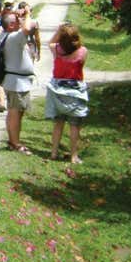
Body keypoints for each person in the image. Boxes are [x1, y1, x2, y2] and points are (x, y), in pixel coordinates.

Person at [46, 23, 89, 164]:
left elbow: (50, 43)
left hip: (58, 90)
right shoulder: (83, 51)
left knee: (58, 123)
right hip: (75, 91)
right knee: (74, 125)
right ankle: (74, 155)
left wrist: (58, 31)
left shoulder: (57, 50)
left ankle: (53, 152)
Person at [0, 5, 37, 154]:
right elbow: (28, 29)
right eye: (17, 20)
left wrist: (16, 15)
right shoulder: (14, 37)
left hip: (14, 80)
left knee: (14, 112)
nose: (20, 21)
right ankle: (15, 143)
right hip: (17, 82)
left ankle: (12, 140)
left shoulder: (4, 35)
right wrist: (27, 13)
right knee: (15, 112)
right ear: (11, 25)